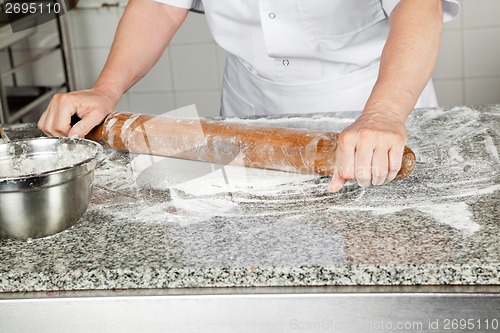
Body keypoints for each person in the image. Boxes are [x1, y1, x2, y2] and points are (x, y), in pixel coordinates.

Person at [38, 0, 459, 192]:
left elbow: (418, 5)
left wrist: (384, 112)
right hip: (250, 109)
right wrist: (105, 88)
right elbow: (160, 5)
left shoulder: (382, 112)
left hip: (374, 108)